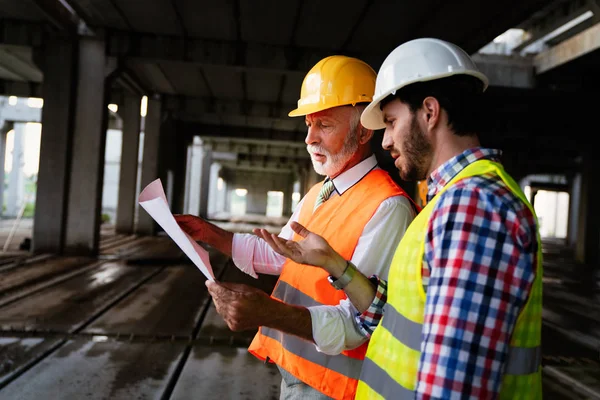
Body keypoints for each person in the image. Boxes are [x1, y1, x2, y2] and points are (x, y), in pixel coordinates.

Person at [256, 38, 542, 399]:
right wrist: (336, 265)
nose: (385, 140)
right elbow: (389, 313)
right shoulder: (446, 202)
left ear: (430, 111)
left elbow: (454, 387)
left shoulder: (473, 207)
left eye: (391, 122)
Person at [175, 55, 418, 400]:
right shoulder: (319, 193)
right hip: (298, 376)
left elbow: (359, 322)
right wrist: (211, 235)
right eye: (308, 124)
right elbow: (281, 253)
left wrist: (268, 312)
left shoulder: (388, 207)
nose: (309, 138)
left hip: (332, 389)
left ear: (364, 130)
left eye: (325, 125)